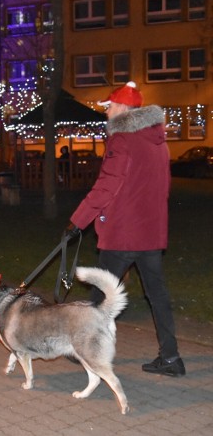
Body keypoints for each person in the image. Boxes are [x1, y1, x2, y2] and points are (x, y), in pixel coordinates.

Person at [65, 81, 185, 377]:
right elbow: (163, 189)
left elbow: (107, 186)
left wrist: (79, 220)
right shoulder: (159, 142)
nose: (107, 111)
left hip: (123, 233)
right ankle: (171, 357)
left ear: (122, 108)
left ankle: (84, 348)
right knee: (157, 295)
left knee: (98, 295)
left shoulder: (121, 141)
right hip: (150, 234)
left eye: (110, 106)